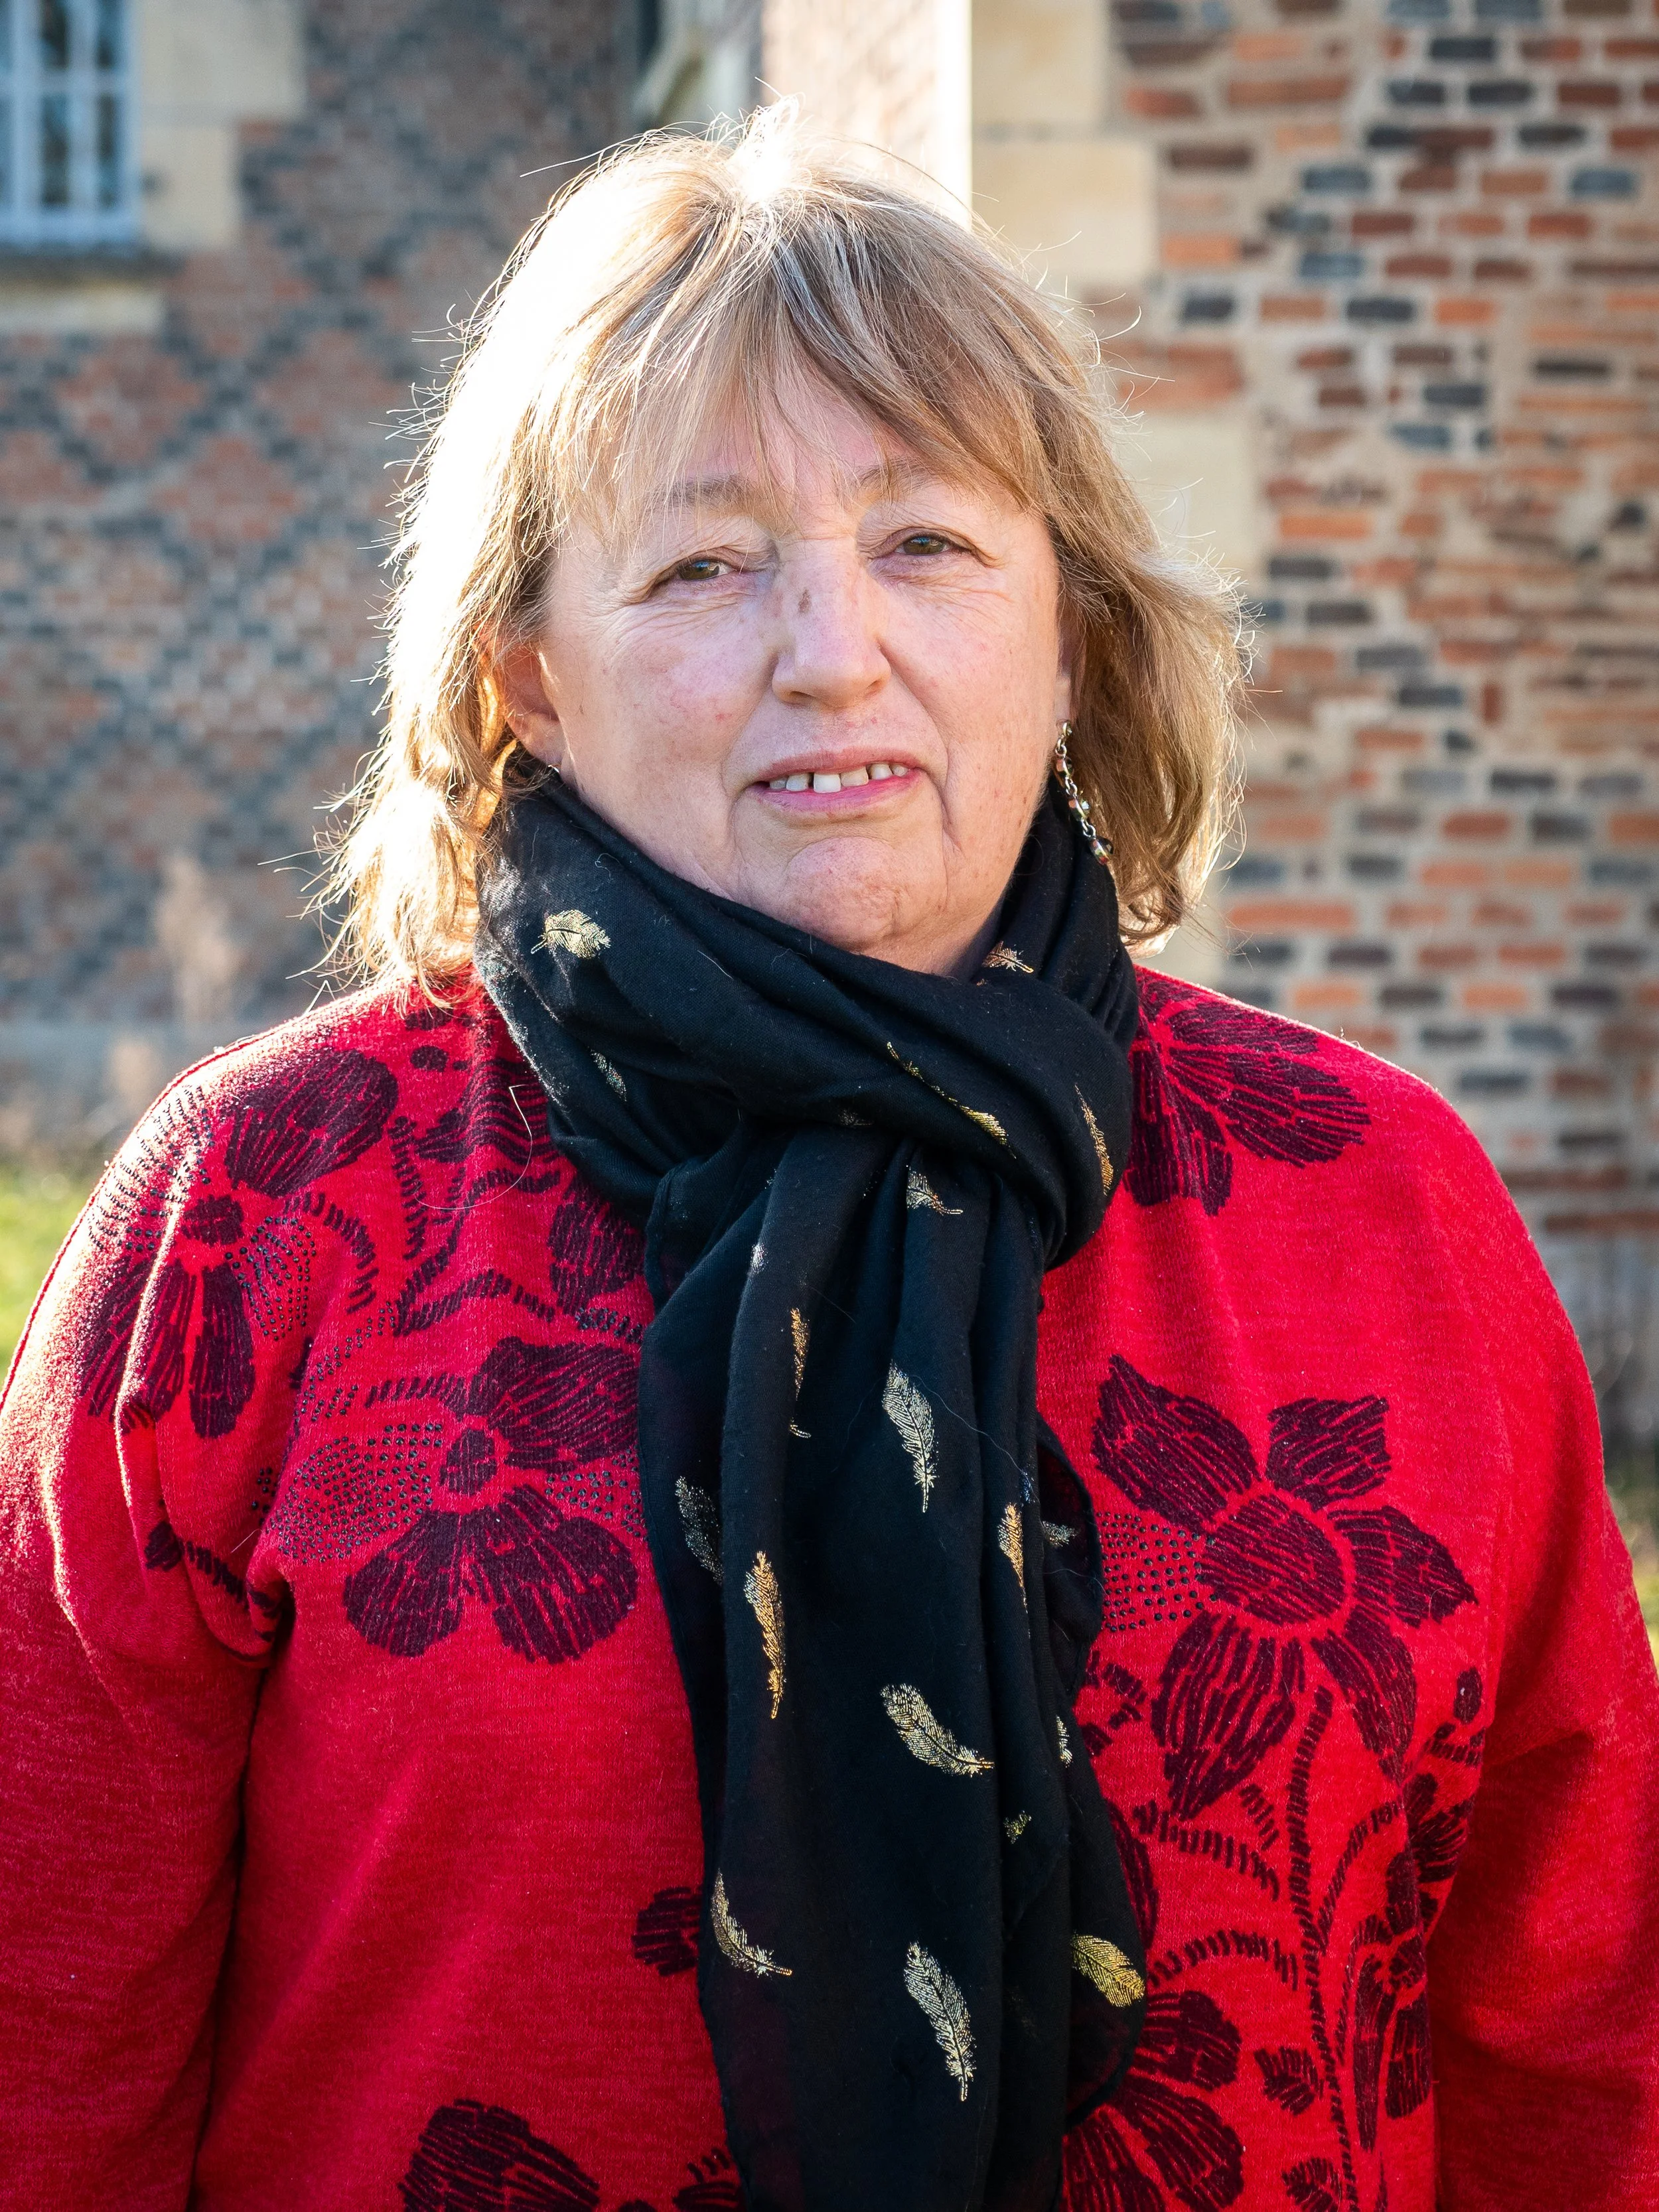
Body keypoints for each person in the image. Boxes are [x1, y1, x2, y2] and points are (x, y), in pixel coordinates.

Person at [1, 107, 1654, 2212]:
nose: (828, 648)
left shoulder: (1378, 1201)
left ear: (1071, 632)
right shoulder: (261, 1215)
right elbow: (40, 2052)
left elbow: (1576, 2040)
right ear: (526, 674)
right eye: (703, 564)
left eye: (925, 542)